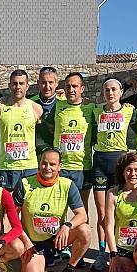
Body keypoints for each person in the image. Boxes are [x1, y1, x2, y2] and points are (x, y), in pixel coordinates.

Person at [13, 147, 91, 272]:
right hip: (33, 243)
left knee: (85, 230)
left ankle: (70, 269)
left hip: (57, 240)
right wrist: (26, 241)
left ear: (59, 166)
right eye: (44, 163)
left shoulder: (67, 185)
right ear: (39, 163)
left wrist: (67, 226)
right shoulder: (25, 183)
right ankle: (34, 260)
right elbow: (12, 218)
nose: (47, 167)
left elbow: (82, 215)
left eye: (52, 164)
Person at [91, 78, 137, 272]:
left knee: (119, 212)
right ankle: (102, 254)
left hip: (119, 162)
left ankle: (121, 252)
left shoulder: (129, 110)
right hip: (100, 162)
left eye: (113, 89)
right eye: (106, 90)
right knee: (102, 213)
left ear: (120, 92)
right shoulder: (95, 111)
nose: (110, 93)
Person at [48, 72, 96, 209]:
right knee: (57, 209)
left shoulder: (91, 108)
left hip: (82, 167)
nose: (71, 89)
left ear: (82, 89)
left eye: (75, 86)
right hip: (60, 167)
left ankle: (84, 231)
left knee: (82, 208)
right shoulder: (57, 104)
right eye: (68, 86)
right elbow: (36, 101)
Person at [0, 69, 43, 191]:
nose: (18, 87)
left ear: (27, 86)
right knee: (7, 207)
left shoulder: (36, 109)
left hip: (29, 166)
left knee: (29, 207)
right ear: (9, 86)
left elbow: (40, 138)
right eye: (14, 83)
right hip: (6, 166)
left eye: (21, 83)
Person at [105, 152, 137, 272]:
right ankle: (129, 268)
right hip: (122, 249)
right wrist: (113, 255)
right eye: (128, 169)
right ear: (122, 172)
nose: (132, 174)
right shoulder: (113, 194)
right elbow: (109, 227)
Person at [30, 66, 63, 158]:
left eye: (50, 82)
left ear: (57, 83)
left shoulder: (65, 102)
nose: (47, 86)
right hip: (37, 155)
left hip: (60, 154)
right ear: (38, 83)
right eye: (43, 83)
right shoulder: (30, 103)